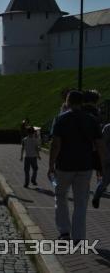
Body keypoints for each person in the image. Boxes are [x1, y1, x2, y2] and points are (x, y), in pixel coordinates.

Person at [48, 90, 105, 241]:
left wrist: (50, 165)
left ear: (67, 101)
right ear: (82, 103)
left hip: (64, 165)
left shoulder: (60, 119)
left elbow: (55, 145)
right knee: (81, 202)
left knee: (61, 197)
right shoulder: (91, 120)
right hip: (85, 166)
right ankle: (78, 237)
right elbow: (100, 145)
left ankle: (64, 232)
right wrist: (103, 166)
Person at [92, 122, 110, 208]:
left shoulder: (107, 127)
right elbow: (102, 143)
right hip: (108, 159)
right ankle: (96, 196)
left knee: (105, 181)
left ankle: (96, 196)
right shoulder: (108, 127)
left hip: (107, 158)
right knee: (105, 181)